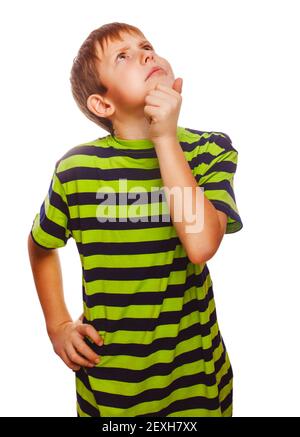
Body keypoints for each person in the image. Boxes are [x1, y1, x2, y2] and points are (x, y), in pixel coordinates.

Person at [27, 22, 243, 417]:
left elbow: (200, 245)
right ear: (103, 105)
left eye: (146, 46)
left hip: (197, 384)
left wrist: (165, 138)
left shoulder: (209, 150)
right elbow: (41, 245)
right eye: (122, 56)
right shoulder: (77, 170)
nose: (145, 54)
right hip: (111, 390)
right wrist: (57, 325)